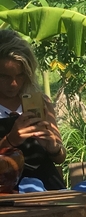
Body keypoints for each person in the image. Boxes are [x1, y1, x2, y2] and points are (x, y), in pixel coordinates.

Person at [0, 29, 66, 190]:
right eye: (5, 77)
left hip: (48, 190)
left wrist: (53, 147)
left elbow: (60, 157)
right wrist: (10, 141)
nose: (14, 84)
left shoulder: (40, 103)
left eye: (20, 75)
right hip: (7, 197)